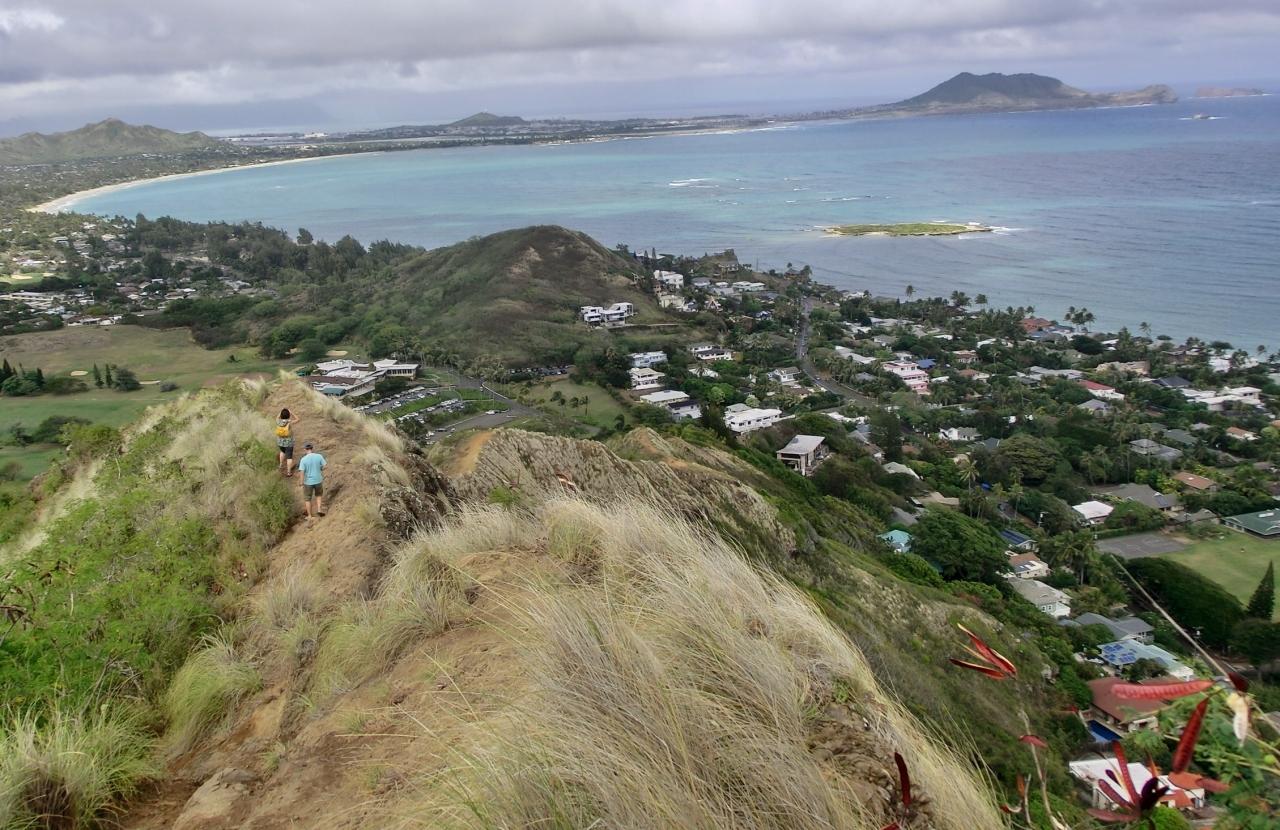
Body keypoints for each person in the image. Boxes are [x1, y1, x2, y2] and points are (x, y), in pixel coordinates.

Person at [297, 441, 327, 519]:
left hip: (308, 482)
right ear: (312, 448)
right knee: (318, 495)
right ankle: (319, 510)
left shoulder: (303, 459)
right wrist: (320, 468)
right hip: (318, 480)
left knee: (307, 498)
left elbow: (302, 472)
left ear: (305, 449)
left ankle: (310, 516)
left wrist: (301, 482)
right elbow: (325, 465)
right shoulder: (319, 456)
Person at [275, 408, 300, 476]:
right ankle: (289, 472)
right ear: (288, 415)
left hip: (280, 442)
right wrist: (291, 413)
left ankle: (280, 465)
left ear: (281, 415)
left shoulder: (278, 421)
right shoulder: (289, 422)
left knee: (282, 452)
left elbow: (277, 417)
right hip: (289, 443)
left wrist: (281, 411)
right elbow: (298, 419)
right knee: (289, 457)